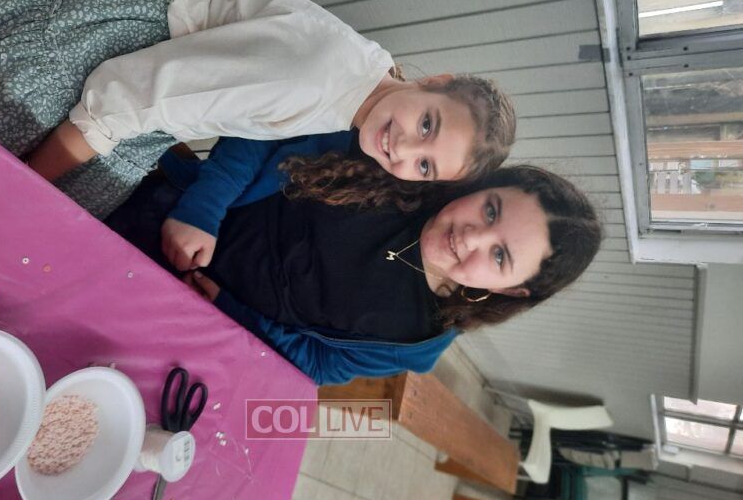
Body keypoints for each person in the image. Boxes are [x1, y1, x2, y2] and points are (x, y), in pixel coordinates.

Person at [0, 0, 515, 221]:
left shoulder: (370, 71)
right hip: (123, 55)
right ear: (434, 81)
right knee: (1, 162)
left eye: (423, 166)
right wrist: (23, 184)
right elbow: (123, 96)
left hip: (147, 59)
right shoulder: (314, 78)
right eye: (428, 125)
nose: (403, 149)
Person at [106, 159, 602, 385]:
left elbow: (320, 364)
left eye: (499, 257)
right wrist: (203, 208)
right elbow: (271, 139)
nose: (471, 237)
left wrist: (227, 309)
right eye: (491, 210)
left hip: (181, 313)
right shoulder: (404, 167)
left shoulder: (418, 341)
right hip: (162, 202)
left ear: (511, 290)